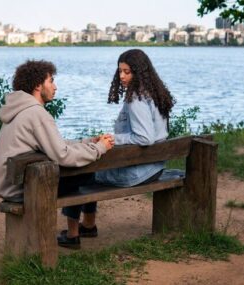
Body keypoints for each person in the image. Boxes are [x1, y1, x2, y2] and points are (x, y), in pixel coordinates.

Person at [59, 49, 175, 247]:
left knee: (76, 172)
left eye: (127, 72)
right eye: (120, 71)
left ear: (139, 72)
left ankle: (72, 235)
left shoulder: (136, 98)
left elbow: (144, 137)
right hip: (155, 168)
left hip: (136, 173)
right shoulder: (154, 94)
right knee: (93, 167)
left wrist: (112, 139)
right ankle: (88, 225)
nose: (121, 76)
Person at [0, 59, 114, 218]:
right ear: (38, 85)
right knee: (87, 173)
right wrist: (100, 148)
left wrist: (88, 142)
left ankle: (77, 232)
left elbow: (55, 145)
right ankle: (82, 229)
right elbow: (63, 155)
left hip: (9, 184)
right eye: (51, 81)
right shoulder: (36, 114)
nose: (55, 87)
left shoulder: (20, 110)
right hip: (23, 188)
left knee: (81, 171)